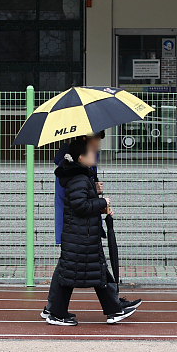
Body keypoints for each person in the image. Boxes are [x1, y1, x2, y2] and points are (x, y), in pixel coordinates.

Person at [41, 131, 140, 321]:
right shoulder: (76, 172)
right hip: (78, 230)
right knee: (77, 268)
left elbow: (80, 196)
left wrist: (94, 191)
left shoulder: (78, 170)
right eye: (95, 144)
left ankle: (111, 305)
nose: (97, 150)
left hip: (81, 229)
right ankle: (59, 310)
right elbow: (78, 203)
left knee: (85, 267)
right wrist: (101, 202)